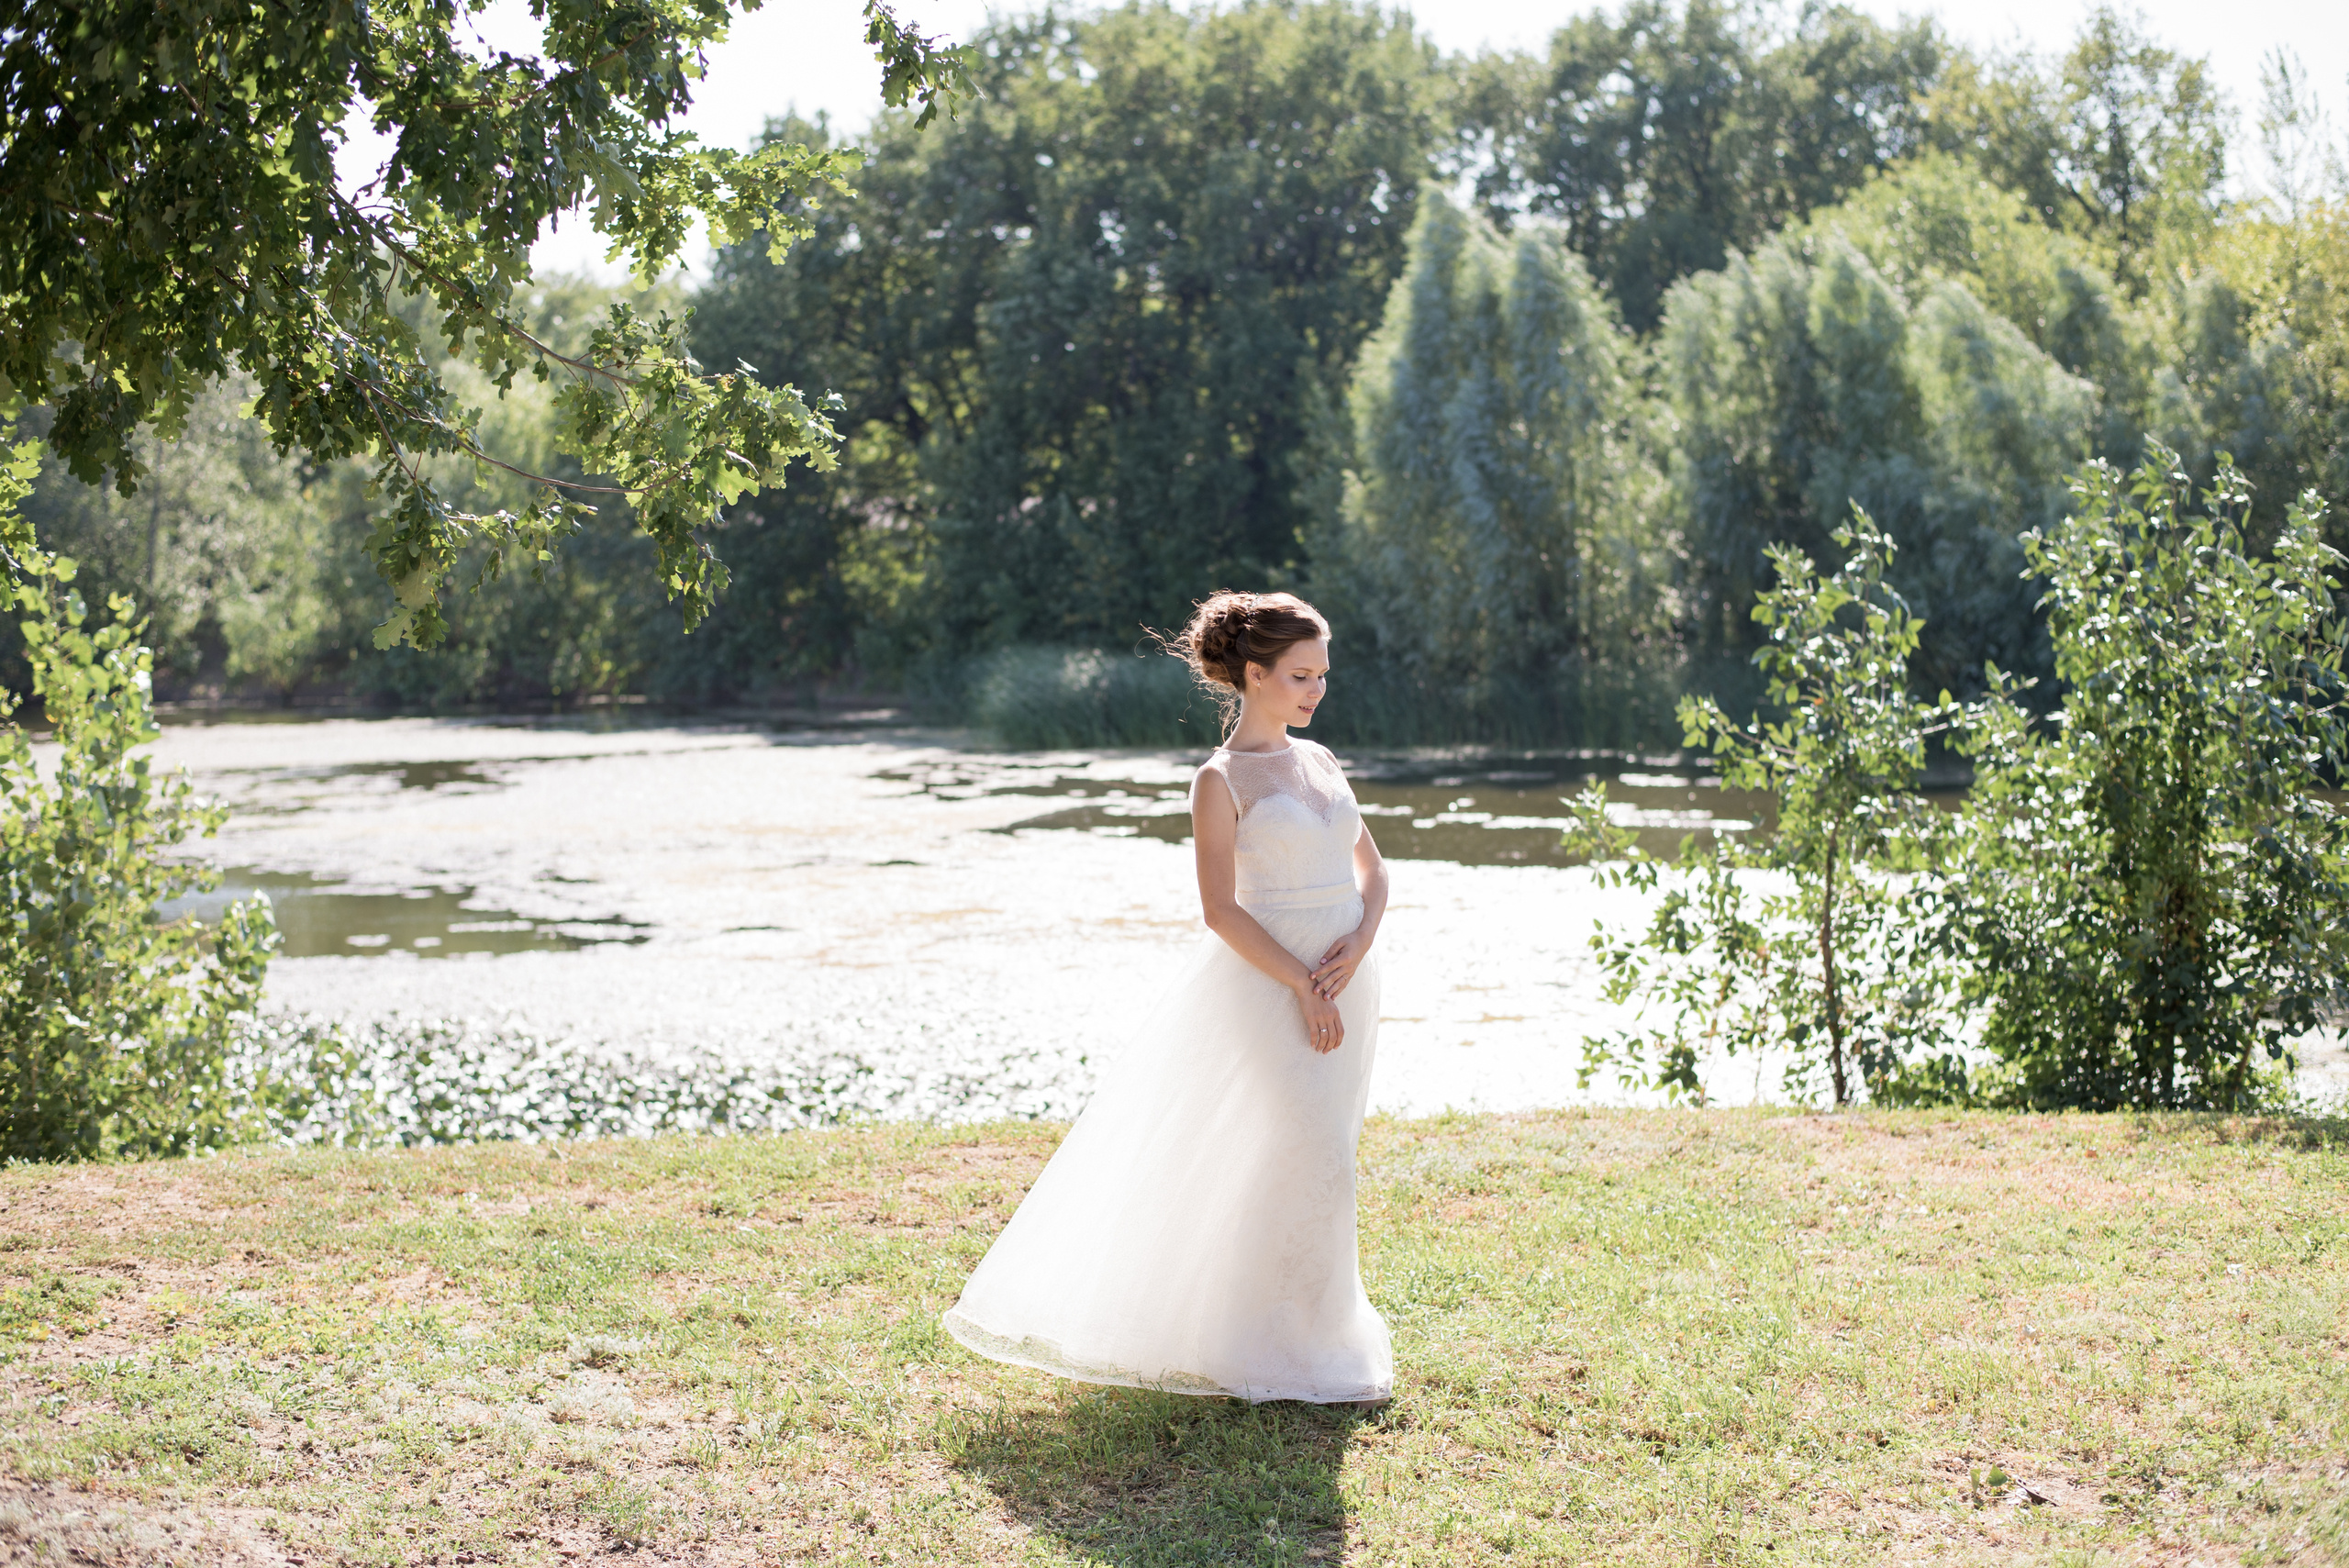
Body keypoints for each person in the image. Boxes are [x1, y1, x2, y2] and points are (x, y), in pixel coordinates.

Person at [941, 590, 1393, 1406]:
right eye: (1300, 675)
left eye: (1323, 674)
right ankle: (1256, 1344)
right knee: (1299, 1149)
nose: (1316, 690)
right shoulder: (1219, 781)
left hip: (1346, 984)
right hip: (1269, 987)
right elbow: (1221, 910)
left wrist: (1355, 951)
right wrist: (1302, 984)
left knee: (1328, 1156)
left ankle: (1318, 1335)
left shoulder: (1322, 760)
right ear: (1254, 674)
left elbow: (1375, 871)